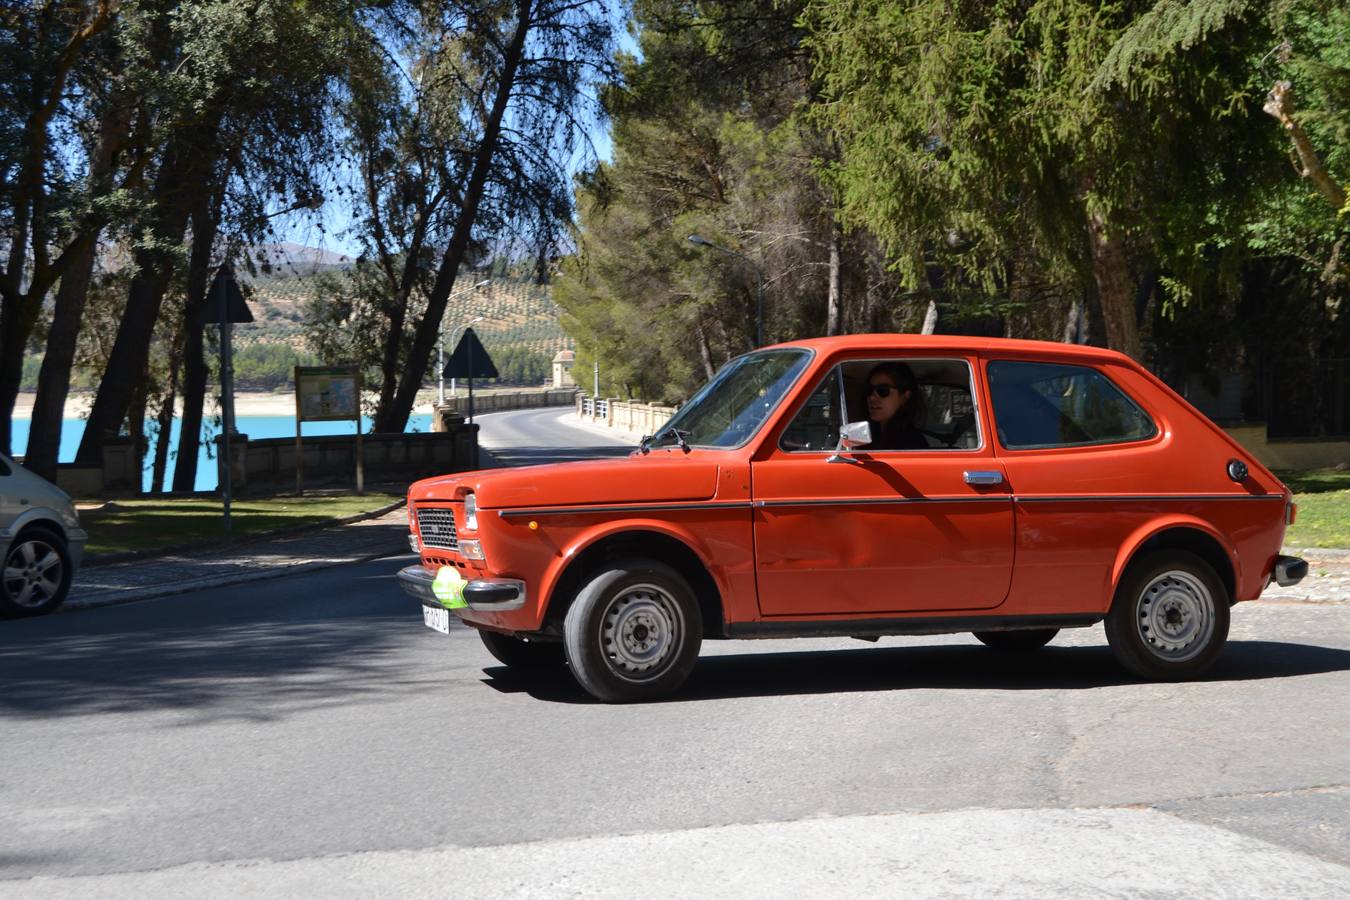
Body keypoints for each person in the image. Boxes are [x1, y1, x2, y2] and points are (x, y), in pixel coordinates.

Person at [862, 361, 927, 450]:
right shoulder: (872, 436)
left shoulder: (910, 442)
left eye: (883, 390)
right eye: (869, 390)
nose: (872, 398)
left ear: (905, 397)